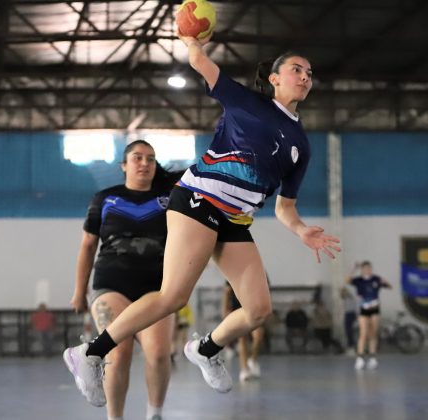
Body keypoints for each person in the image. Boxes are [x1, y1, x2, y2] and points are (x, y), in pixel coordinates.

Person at [63, 29, 340, 405]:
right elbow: (199, 62)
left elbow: (284, 207)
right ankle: (90, 353)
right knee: (173, 296)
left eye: (309, 73)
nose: (306, 77)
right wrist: (192, 37)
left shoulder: (300, 146)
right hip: (198, 199)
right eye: (297, 69)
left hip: (236, 219)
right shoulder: (246, 102)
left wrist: (302, 231)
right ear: (274, 78)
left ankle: (206, 349)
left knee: (259, 310)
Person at [65, 140, 182, 419]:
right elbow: (88, 246)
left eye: (151, 159)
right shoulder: (104, 198)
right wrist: (79, 291)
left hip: (156, 288)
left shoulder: (169, 198)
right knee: (118, 354)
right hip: (111, 284)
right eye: (137, 157)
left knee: (158, 354)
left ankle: (155, 414)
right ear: (124, 165)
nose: (144, 163)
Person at [345, 261, 392, 370]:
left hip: (374, 309)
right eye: (365, 268)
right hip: (363, 308)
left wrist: (386, 282)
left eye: (369, 268)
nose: (367, 270)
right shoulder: (358, 280)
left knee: (373, 333)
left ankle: (372, 357)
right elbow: (347, 280)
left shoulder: (376, 279)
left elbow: (389, 286)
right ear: (362, 270)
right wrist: (354, 269)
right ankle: (360, 358)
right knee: (363, 333)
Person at [223, 281, 265, 381]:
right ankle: (244, 369)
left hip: (253, 310)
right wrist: (225, 312)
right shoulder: (230, 278)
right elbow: (226, 294)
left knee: (258, 336)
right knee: (242, 339)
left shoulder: (259, 273)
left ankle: (253, 360)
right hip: (237, 310)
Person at [339, 285, 358, 355]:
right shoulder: (345, 298)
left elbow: (354, 306)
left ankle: (352, 345)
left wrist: (356, 316)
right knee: (348, 330)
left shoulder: (349, 297)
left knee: (349, 331)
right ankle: (351, 344)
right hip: (348, 314)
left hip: (351, 314)